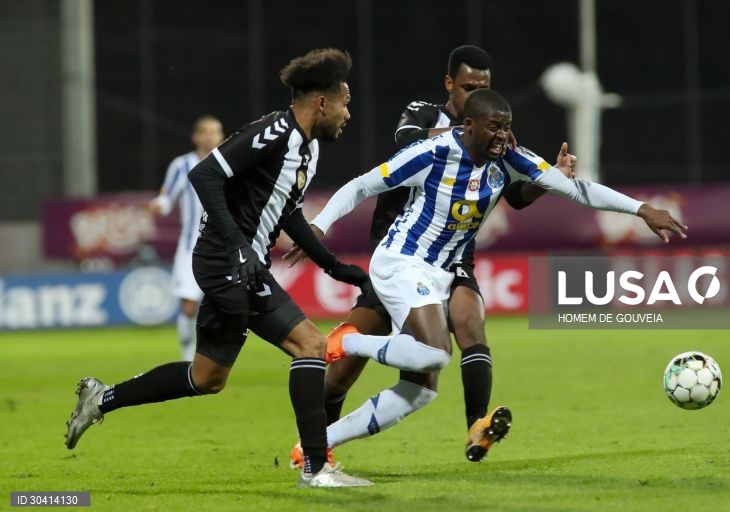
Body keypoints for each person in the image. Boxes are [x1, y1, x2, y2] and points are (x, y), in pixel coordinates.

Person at [291, 88, 686, 465]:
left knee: (418, 392)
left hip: (445, 271)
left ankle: (318, 445)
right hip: (402, 262)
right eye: (494, 127)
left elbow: (577, 190)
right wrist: (320, 225)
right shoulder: (433, 153)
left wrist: (641, 209)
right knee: (435, 352)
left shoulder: (510, 158)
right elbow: (362, 185)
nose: (502, 135)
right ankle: (351, 341)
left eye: (506, 126)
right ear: (469, 126)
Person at [64, 48, 374, 488]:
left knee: (207, 378)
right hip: (225, 262)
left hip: (241, 265)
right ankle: (316, 466)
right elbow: (205, 175)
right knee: (310, 345)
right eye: (344, 103)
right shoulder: (274, 132)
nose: (347, 113)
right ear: (321, 101)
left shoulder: (308, 148)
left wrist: (333, 266)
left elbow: (287, 213)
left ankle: (102, 398)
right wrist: (238, 246)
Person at [288, 45, 550, 468]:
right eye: (468, 87)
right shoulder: (426, 116)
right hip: (400, 257)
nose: (476, 93)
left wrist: (548, 176)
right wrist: (468, 133)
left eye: (483, 88)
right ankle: (317, 445)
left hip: (453, 260)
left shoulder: (491, 137)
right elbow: (403, 144)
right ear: (450, 84)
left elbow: (515, 196)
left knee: (463, 341)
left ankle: (475, 425)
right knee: (342, 373)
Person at [149, 115, 224, 361]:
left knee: (226, 305)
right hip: (192, 245)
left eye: (215, 132)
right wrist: (159, 205)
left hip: (226, 245)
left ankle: (218, 355)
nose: (210, 136)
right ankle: (186, 357)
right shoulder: (182, 165)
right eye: (205, 132)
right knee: (189, 305)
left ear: (221, 136)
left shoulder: (231, 163)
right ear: (195, 137)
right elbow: (166, 197)